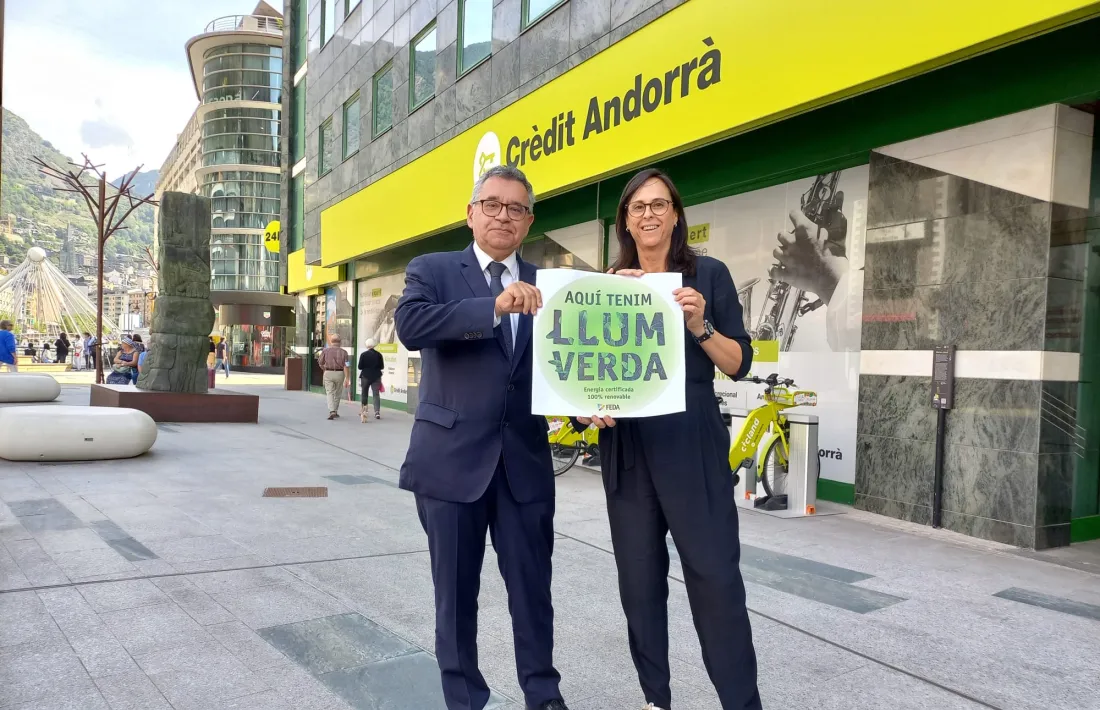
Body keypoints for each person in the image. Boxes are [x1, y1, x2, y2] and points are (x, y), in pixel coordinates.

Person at [577, 169, 761, 710]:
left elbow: (739, 364)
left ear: (677, 214)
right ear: (625, 221)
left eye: (660, 204)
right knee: (639, 585)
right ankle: (655, 698)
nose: (649, 214)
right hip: (628, 447)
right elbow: (589, 372)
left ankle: (741, 702)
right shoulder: (609, 283)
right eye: (638, 207)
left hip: (691, 441)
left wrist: (701, 324)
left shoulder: (709, 274)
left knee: (715, 576)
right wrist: (590, 407)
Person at [395, 164, 568, 710]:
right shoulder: (433, 269)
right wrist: (492, 307)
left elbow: (564, 367)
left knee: (533, 595)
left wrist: (589, 406)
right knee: (455, 597)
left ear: (529, 220)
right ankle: (465, 700)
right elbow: (412, 326)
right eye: (492, 204)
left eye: (515, 208)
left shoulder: (553, 287)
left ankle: (543, 697)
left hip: (525, 466)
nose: (503, 216)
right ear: (471, 213)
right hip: (450, 465)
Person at [317, 333, 349, 420]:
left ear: (331, 341)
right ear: (340, 342)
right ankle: (335, 410)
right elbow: (346, 366)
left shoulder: (325, 351)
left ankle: (332, 411)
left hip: (328, 372)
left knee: (329, 392)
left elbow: (320, 362)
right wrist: (347, 378)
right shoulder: (344, 352)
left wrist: (324, 368)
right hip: (340, 373)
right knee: (338, 393)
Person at [357, 338, 384, 423]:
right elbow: (381, 366)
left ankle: (364, 410)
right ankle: (377, 412)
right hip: (376, 376)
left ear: (366, 345)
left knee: (364, 393)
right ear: (374, 345)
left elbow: (360, 367)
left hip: (365, 376)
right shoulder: (379, 354)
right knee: (376, 394)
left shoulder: (363, 355)